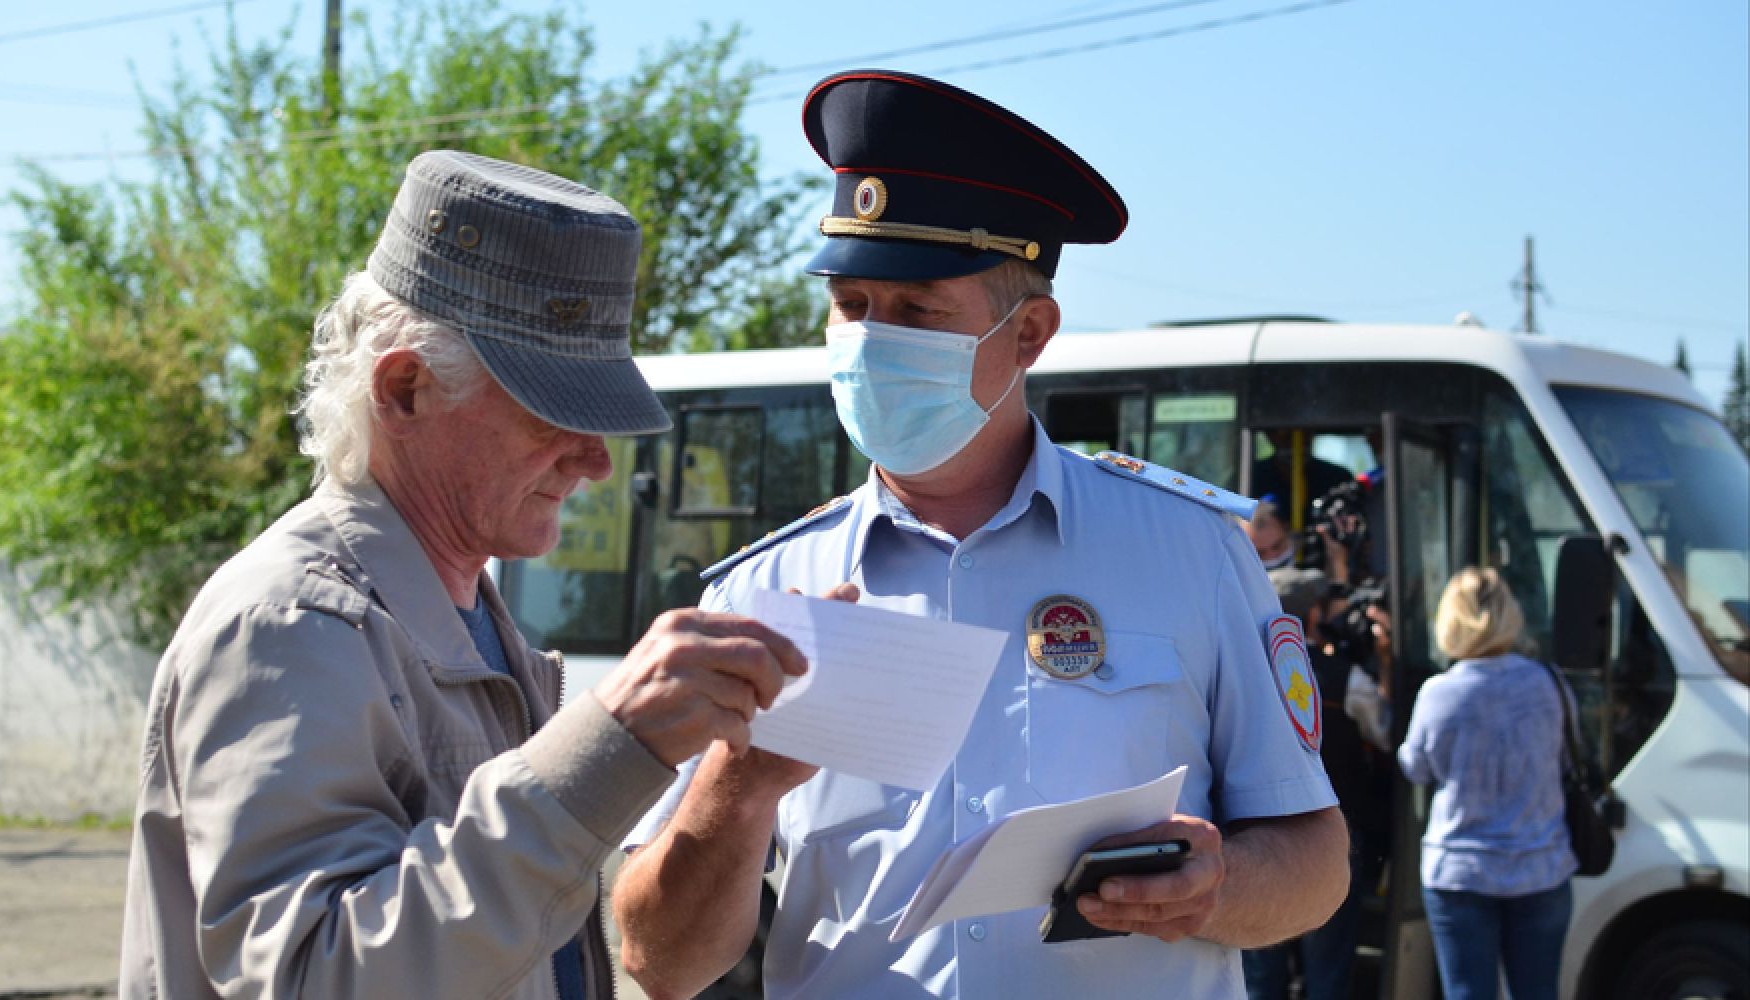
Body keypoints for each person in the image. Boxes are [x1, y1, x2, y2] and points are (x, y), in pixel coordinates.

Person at [612, 69, 1349, 1000]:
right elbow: (658, 962)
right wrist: (738, 789)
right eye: (851, 307)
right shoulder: (762, 595)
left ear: (1030, 333)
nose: (872, 343)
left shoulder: (1194, 553)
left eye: (918, 312)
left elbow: (1316, 862)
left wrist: (1218, 887)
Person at [119, 151, 810, 1000]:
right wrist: (609, 747)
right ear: (404, 389)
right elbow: (312, 977)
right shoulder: (291, 624)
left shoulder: (462, 614)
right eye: (554, 412)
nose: (595, 461)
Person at [1398, 567, 1577, 1000]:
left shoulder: (1439, 692)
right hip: (1541, 864)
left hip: (1461, 870)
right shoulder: (1547, 681)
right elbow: (1567, 758)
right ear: (1510, 615)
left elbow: (1416, 769)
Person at [1241, 568, 1390, 1000]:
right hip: (1331, 842)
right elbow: (1385, 731)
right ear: (1312, 616)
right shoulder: (1346, 679)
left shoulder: (1238, 676)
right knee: (1328, 972)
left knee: (1261, 977)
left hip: (1253, 839)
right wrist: (1385, 662)